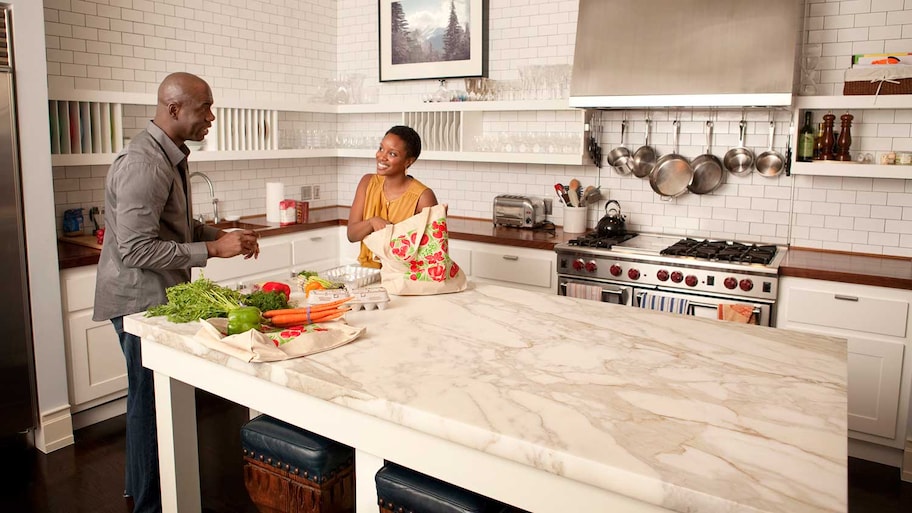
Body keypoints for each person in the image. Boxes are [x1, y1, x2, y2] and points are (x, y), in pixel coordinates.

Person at [92, 72, 260, 513]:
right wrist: (212, 248)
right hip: (138, 297)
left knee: (146, 399)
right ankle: (150, 505)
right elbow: (135, 248)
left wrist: (221, 233)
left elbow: (171, 228)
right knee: (149, 405)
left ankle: (139, 492)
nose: (212, 116)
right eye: (204, 107)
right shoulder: (145, 163)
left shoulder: (169, 155)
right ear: (173, 109)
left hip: (153, 294)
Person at [347, 125, 438, 268]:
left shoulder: (423, 197)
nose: (382, 156)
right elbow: (352, 235)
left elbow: (432, 252)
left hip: (404, 278)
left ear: (409, 161)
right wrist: (372, 222)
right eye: (381, 148)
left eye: (392, 154)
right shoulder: (367, 183)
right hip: (369, 274)